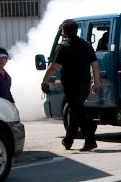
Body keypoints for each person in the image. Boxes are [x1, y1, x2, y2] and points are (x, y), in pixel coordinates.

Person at [40, 19, 101, 151]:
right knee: (75, 111)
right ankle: (68, 140)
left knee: (78, 112)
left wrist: (44, 81)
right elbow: (95, 66)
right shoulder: (86, 45)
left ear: (63, 31)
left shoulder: (62, 46)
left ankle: (90, 141)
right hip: (85, 85)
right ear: (76, 30)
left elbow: (52, 67)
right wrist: (96, 82)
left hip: (71, 86)